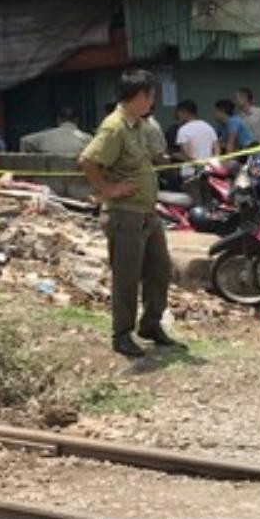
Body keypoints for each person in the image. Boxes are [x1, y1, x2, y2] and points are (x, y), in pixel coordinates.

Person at [78, 69, 179, 358]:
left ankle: (151, 324)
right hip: (125, 215)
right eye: (151, 96)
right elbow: (87, 160)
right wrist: (107, 189)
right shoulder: (115, 127)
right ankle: (121, 334)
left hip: (147, 212)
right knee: (127, 276)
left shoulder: (138, 126)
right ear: (137, 96)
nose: (153, 102)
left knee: (160, 270)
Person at [173, 100, 218, 184]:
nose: (178, 115)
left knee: (194, 196)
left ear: (184, 112)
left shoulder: (183, 130)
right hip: (208, 171)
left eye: (178, 112)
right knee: (207, 196)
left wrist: (196, 164)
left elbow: (185, 153)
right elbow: (216, 149)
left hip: (190, 173)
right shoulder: (208, 127)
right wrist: (211, 164)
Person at [20, 107, 92, 157]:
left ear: (58, 120)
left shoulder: (44, 136)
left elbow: (24, 141)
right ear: (77, 120)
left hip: (46, 177)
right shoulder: (88, 139)